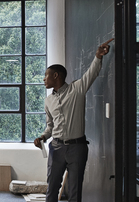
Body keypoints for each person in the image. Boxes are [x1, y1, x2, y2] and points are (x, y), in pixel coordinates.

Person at [33, 38, 113, 202]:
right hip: (56, 148)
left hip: (77, 148)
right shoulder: (48, 101)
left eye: (46, 75)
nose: (44, 79)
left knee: (75, 191)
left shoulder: (77, 90)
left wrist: (98, 56)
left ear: (56, 76)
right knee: (52, 187)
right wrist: (42, 137)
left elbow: (91, 73)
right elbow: (50, 127)